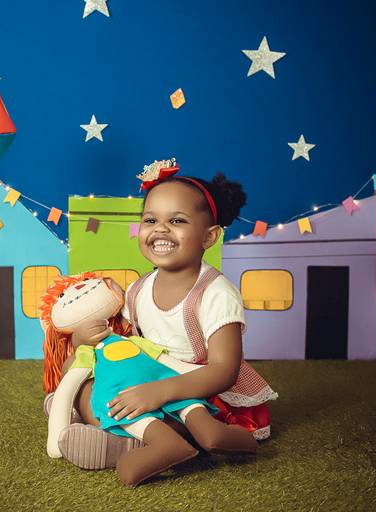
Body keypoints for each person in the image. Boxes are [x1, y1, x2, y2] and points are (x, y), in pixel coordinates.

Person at [52, 159, 277, 470]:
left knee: (189, 417)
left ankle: (121, 441)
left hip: (197, 386)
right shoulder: (139, 289)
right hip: (151, 373)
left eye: (177, 220)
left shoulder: (215, 292)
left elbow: (224, 371)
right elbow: (126, 345)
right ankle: (104, 420)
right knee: (82, 375)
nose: (160, 229)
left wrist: (158, 392)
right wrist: (83, 341)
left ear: (209, 237)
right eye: (150, 220)